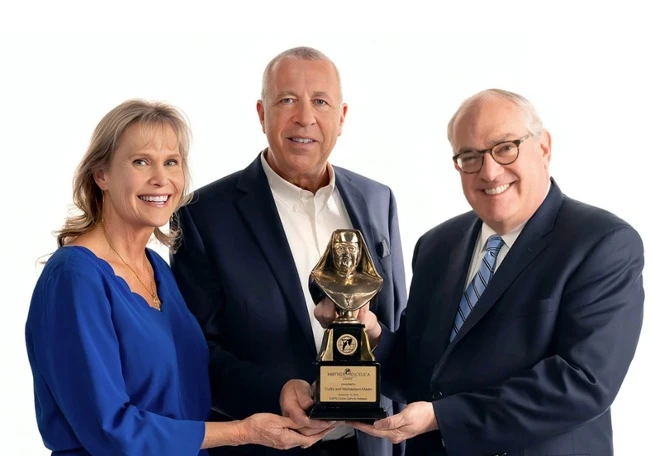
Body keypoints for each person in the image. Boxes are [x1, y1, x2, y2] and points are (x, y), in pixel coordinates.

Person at [288, 88, 645, 455]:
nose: (489, 172)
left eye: (505, 147)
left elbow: (582, 383)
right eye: (470, 156)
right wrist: (373, 335)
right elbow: (423, 371)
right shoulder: (438, 246)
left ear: (543, 148)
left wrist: (442, 417)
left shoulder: (602, 243)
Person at [25, 99, 330, 456]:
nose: (161, 179)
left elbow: (196, 375)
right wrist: (241, 431)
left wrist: (279, 390)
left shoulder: (157, 269)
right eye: (141, 161)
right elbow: (109, 429)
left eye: (171, 162)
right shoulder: (74, 278)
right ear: (101, 174)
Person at [170, 47, 407, 456]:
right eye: (287, 100)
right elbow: (194, 354)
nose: (305, 117)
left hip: (369, 447)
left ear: (342, 116)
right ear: (262, 114)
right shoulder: (203, 215)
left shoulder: (377, 200)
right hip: (264, 447)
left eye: (320, 101)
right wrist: (275, 391)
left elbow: (398, 328)